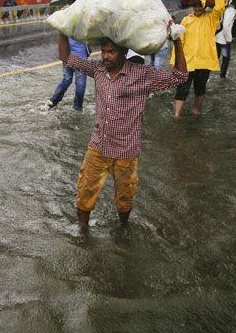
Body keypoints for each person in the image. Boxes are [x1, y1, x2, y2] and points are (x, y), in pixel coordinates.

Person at [57, 32, 188, 233]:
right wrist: (62, 30)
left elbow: (180, 76)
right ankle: (83, 230)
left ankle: (123, 227)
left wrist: (177, 40)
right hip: (98, 147)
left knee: (125, 197)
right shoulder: (98, 69)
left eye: (111, 52)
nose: (106, 56)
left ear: (124, 52)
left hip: (127, 151)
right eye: (103, 51)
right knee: (84, 192)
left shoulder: (142, 74)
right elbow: (67, 58)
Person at [171, 0, 226, 117]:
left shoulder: (211, 19)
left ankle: (197, 110)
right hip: (187, 62)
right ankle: (176, 115)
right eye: (195, 6)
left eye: (199, 6)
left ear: (204, 7)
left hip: (204, 62)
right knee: (181, 88)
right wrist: (174, 62)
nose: (197, 8)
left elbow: (220, 7)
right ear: (192, 7)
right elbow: (179, 42)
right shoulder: (186, 20)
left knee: (200, 89)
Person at [48, 38, 90, 110]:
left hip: (67, 56)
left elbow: (61, 40)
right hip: (81, 57)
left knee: (66, 80)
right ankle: (77, 107)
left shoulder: (66, 27)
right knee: (80, 84)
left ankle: (53, 101)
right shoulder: (83, 27)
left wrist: (63, 57)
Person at [215, 0, 236, 78]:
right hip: (224, 39)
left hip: (217, 37)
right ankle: (222, 75)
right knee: (226, 58)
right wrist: (228, 38)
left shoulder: (226, 8)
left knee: (216, 57)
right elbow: (226, 25)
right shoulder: (231, 10)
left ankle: (205, 74)